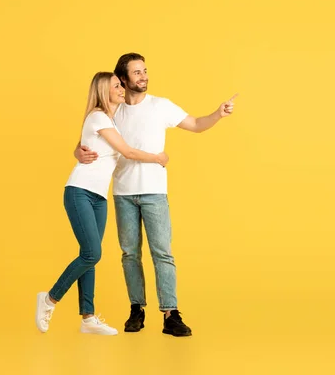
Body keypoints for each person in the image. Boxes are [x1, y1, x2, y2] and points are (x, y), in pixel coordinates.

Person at [75, 53, 237, 337]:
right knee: (129, 255)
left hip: (154, 193)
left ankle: (170, 314)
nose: (143, 76)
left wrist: (218, 114)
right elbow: (89, 137)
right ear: (122, 79)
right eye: (136, 72)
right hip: (123, 192)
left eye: (145, 71)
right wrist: (77, 151)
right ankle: (136, 309)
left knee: (162, 252)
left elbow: (197, 124)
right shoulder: (113, 110)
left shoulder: (161, 106)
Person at [35, 72, 170, 335]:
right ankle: (49, 299)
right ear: (103, 91)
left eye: (121, 85)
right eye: (117, 86)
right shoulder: (98, 116)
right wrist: (158, 157)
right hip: (80, 191)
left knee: (90, 257)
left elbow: (90, 145)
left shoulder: (111, 121)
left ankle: (88, 318)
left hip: (98, 197)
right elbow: (129, 152)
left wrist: (78, 148)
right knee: (91, 253)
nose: (122, 89)